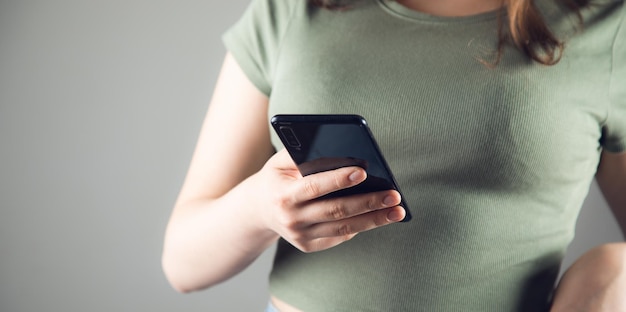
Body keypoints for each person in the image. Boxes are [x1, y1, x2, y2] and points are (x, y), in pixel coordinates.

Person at [162, 0, 626, 310]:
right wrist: (258, 209)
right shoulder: (291, 9)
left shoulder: (608, 24)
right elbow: (182, 262)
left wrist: (611, 272)